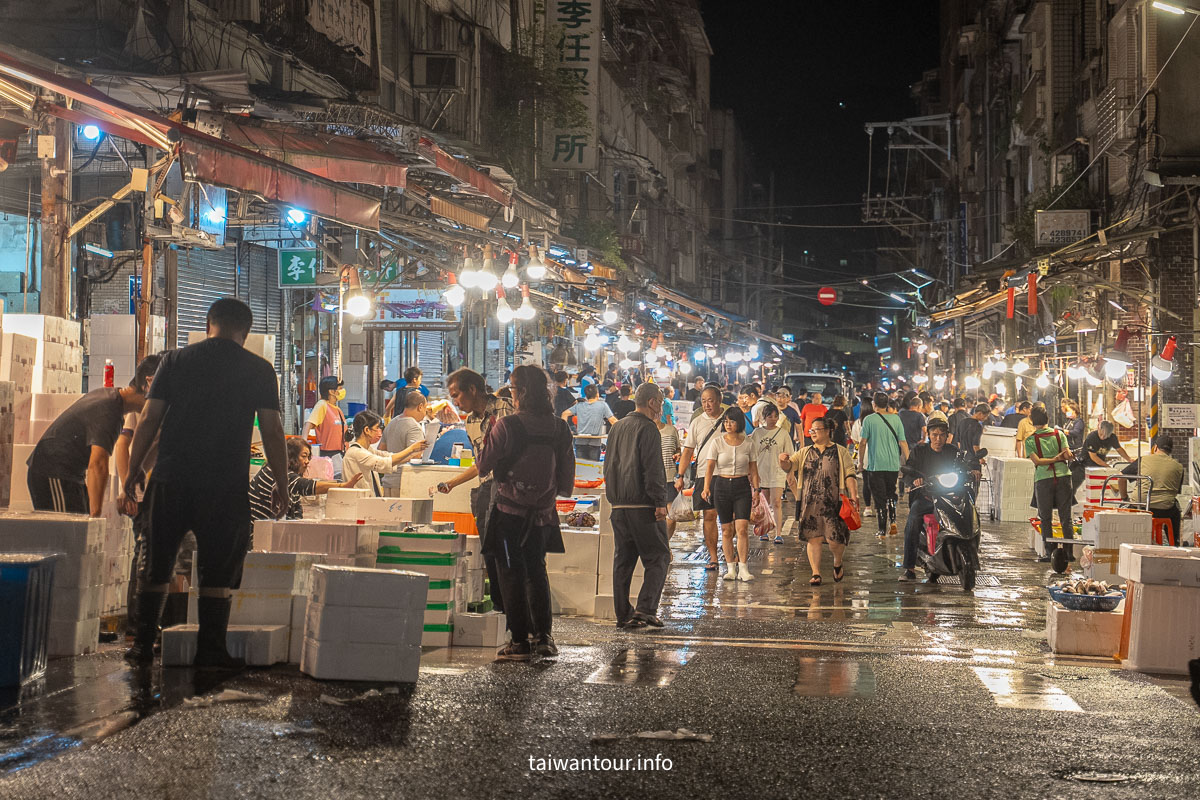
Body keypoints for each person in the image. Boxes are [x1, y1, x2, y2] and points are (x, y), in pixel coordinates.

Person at [122, 298, 289, 669]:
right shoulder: (259, 369)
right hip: (225, 485)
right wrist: (282, 483)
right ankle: (211, 650)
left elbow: (149, 418)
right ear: (245, 332)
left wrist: (133, 471)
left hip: (171, 479)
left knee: (157, 563)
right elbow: (274, 431)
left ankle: (142, 646)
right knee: (218, 567)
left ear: (208, 323)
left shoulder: (175, 361)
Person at [474, 365, 575, 660]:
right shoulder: (560, 428)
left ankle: (519, 641)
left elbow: (483, 466)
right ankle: (543, 637)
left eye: (513, 389)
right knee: (536, 571)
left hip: (508, 516)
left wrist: (489, 435)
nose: (511, 394)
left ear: (523, 392)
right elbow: (567, 481)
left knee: (509, 573)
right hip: (543, 517)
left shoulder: (506, 426)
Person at [28, 356, 159, 517]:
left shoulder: (112, 401)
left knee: (79, 530)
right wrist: (94, 518)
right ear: (148, 384)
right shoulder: (110, 408)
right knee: (69, 534)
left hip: (69, 474)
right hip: (52, 471)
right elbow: (97, 464)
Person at [437, 368, 515, 615]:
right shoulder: (470, 422)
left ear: (473, 389)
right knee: (489, 549)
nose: (455, 401)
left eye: (456, 394)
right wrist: (453, 483)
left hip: (511, 488)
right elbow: (481, 463)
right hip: (486, 489)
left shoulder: (506, 408)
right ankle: (502, 609)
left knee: (510, 551)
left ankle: (517, 609)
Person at [603, 383, 671, 629]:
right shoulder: (648, 428)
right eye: (660, 403)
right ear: (652, 402)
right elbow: (653, 469)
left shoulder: (617, 426)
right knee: (659, 557)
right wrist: (660, 502)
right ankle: (645, 609)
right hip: (643, 505)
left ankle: (623, 614)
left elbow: (608, 466)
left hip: (618, 506)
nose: (661, 408)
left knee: (624, 561)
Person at [783, 416, 859, 585]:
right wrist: (784, 461)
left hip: (834, 503)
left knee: (835, 540)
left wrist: (854, 495)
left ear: (827, 431)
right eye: (811, 430)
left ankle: (837, 563)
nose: (813, 433)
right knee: (813, 538)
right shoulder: (805, 452)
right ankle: (816, 573)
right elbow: (790, 466)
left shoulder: (841, 451)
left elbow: (849, 474)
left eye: (816, 429)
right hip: (810, 502)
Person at [702, 407, 761, 582]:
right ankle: (730, 568)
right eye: (725, 421)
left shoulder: (748, 443)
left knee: (742, 529)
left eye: (732, 421)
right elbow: (710, 468)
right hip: (721, 486)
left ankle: (743, 568)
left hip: (742, 486)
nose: (728, 425)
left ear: (739, 423)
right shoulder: (717, 443)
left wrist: (757, 490)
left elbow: (754, 470)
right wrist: (706, 488)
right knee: (727, 530)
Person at [899, 418, 961, 581]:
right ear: (928, 434)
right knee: (913, 521)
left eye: (942, 435)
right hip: (926, 497)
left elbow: (962, 466)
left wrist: (974, 469)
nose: (938, 439)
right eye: (934, 435)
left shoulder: (953, 451)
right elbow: (908, 472)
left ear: (947, 435)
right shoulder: (919, 451)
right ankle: (909, 568)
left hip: (949, 498)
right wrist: (914, 480)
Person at [249, 438, 361, 524]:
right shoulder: (275, 471)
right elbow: (306, 486)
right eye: (304, 456)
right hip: (254, 532)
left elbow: (296, 512)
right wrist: (343, 485)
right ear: (291, 457)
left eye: (308, 457)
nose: (307, 462)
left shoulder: (290, 479)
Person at [675, 386, 725, 570]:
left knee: (732, 518)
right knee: (709, 516)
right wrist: (680, 475)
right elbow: (688, 450)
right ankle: (713, 557)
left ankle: (729, 550)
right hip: (705, 475)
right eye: (703, 401)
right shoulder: (697, 422)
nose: (707, 404)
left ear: (719, 400)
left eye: (710, 400)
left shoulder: (729, 419)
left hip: (728, 475)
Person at [1025, 406, 1073, 563]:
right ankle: (1068, 553)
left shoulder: (1031, 440)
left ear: (1032, 421)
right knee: (1066, 517)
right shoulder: (1059, 435)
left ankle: (1049, 553)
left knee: (1045, 517)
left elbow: (1037, 461)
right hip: (1064, 478)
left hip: (1043, 479)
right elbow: (1066, 454)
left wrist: (1052, 459)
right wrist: (1059, 458)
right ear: (1048, 419)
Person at [342, 410, 426, 497]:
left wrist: (413, 454)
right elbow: (383, 463)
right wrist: (411, 448)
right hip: (358, 503)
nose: (379, 432)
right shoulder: (356, 452)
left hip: (367, 502)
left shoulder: (368, 450)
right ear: (367, 430)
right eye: (377, 428)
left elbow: (389, 456)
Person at [860, 391, 908, 539]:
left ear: (874, 404)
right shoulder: (896, 419)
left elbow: (862, 443)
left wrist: (861, 462)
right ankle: (893, 521)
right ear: (887, 404)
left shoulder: (869, 420)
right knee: (890, 494)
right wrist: (909, 460)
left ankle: (882, 530)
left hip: (875, 465)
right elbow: (903, 443)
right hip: (893, 465)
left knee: (879, 498)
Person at [1121, 436, 1185, 545]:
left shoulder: (1143, 460)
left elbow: (1121, 477)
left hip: (1139, 506)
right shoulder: (1179, 467)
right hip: (1165, 509)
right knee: (1176, 511)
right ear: (1170, 451)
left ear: (1155, 447)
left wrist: (1124, 498)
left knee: (1122, 509)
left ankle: (1124, 543)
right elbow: (1175, 491)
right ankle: (1174, 544)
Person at [754, 403, 795, 544]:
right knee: (764, 503)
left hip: (777, 472)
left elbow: (790, 453)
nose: (773, 418)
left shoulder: (783, 433)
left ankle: (778, 533)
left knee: (776, 502)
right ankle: (764, 530)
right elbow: (751, 454)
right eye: (769, 416)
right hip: (761, 472)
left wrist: (789, 469)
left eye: (775, 416)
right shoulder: (757, 433)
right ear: (764, 417)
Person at [381, 390, 430, 492]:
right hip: (403, 482)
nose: (425, 414)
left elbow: (381, 449)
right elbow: (416, 456)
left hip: (387, 481)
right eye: (425, 409)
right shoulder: (414, 427)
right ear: (420, 407)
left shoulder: (392, 423)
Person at [306, 376, 347, 476]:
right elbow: (308, 424)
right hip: (328, 455)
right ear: (331, 391)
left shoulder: (338, 410)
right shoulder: (322, 405)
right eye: (339, 388)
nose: (342, 391)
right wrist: (303, 445)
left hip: (340, 454)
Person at [563, 384, 616, 461]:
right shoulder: (602, 405)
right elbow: (613, 421)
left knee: (581, 470)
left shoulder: (579, 405)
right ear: (597, 394)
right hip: (595, 443)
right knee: (593, 470)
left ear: (586, 395)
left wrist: (565, 430)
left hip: (580, 442)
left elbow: (564, 414)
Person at [658, 409, 681, 539]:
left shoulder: (671, 430)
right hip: (650, 481)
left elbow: (678, 449)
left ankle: (664, 544)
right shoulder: (643, 430)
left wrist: (678, 454)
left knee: (672, 516)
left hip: (669, 478)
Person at [852, 396, 874, 517]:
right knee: (878, 482)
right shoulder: (878, 420)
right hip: (878, 455)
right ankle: (882, 506)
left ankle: (868, 507)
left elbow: (856, 440)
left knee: (867, 482)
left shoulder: (858, 423)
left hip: (864, 456)